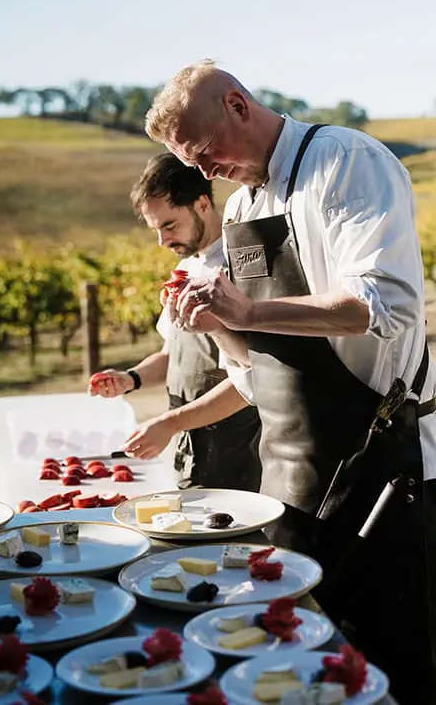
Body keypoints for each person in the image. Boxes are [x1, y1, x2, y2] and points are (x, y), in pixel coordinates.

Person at [142, 58, 436, 705]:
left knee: (390, 664)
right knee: (310, 662)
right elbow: (261, 364)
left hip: (378, 465)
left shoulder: (342, 159)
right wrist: (216, 320)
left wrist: (246, 308)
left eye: (202, 151)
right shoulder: (247, 203)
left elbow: (386, 304)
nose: (200, 172)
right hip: (289, 476)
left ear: (239, 106)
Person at [88, 152, 261, 491]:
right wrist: (130, 378)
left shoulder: (240, 269)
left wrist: (168, 423)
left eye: (169, 225)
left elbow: (252, 380)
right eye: (156, 230)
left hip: (238, 456)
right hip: (193, 449)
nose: (162, 241)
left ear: (201, 205)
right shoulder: (185, 269)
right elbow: (174, 354)